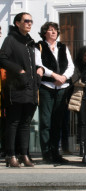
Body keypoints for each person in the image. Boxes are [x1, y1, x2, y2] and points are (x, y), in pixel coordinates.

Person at [0, 12, 43, 167]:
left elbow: (36, 63)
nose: (29, 23)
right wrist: (19, 71)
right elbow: (2, 58)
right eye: (26, 21)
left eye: (31, 21)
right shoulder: (10, 39)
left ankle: (24, 155)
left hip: (31, 88)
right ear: (17, 23)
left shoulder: (31, 42)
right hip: (16, 87)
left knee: (26, 123)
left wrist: (40, 71)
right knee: (13, 122)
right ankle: (10, 156)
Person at [35, 22, 74, 164]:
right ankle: (46, 154)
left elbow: (71, 66)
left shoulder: (63, 47)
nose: (54, 33)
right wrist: (54, 76)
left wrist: (63, 77)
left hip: (62, 88)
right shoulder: (39, 46)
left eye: (55, 30)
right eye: (50, 30)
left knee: (57, 121)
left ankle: (55, 153)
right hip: (46, 87)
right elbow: (39, 65)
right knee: (45, 122)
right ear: (44, 32)